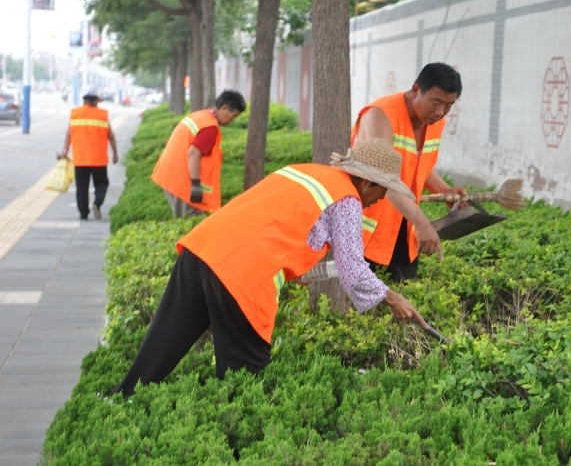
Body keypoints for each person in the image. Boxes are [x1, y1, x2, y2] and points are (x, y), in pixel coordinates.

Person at [113, 139, 431, 397]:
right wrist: (393, 298)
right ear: (364, 180)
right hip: (240, 275)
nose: (381, 199)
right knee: (245, 380)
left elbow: (275, 222)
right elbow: (353, 271)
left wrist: (295, 264)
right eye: (382, 190)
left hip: (202, 249)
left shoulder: (304, 172)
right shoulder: (347, 199)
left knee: (164, 341)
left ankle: (119, 401)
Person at [352, 62, 467, 281]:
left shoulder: (434, 121)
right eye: (436, 102)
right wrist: (422, 224)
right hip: (364, 234)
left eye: (449, 106)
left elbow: (417, 164)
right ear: (416, 90)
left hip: (402, 230)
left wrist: (445, 191)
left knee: (404, 304)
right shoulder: (380, 115)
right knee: (363, 307)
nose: (441, 112)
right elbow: (385, 178)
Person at [151, 90, 247, 217]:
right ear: (224, 108)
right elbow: (193, 153)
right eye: (233, 116)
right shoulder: (210, 128)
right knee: (190, 223)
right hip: (181, 180)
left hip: (171, 173)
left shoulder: (200, 116)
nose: (232, 120)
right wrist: (195, 185)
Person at [60, 87, 119, 220]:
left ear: (84, 99)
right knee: (102, 184)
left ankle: (83, 213)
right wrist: (115, 153)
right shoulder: (103, 115)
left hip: (80, 158)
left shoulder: (75, 114)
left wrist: (65, 151)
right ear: (97, 100)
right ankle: (97, 203)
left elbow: (68, 134)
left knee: (81, 187)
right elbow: (111, 136)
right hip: (98, 158)